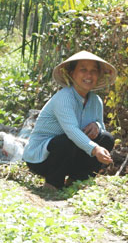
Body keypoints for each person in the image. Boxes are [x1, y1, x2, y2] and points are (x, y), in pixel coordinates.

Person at [24, 51, 117, 189]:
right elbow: (71, 131)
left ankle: (77, 181)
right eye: (83, 70)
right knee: (66, 141)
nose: (89, 75)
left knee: (106, 139)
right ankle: (53, 185)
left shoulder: (96, 101)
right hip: (43, 159)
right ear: (72, 73)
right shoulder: (64, 97)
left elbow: (101, 129)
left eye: (93, 71)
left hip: (72, 155)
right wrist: (95, 149)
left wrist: (97, 126)